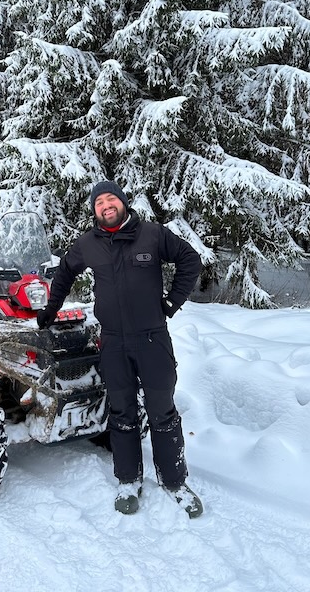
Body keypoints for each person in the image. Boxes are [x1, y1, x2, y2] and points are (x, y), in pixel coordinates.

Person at [37, 180, 203, 517]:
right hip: (112, 342)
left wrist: (171, 302)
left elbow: (190, 260)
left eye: (111, 199)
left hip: (152, 339)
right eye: (99, 203)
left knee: (162, 411)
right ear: (95, 210)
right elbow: (66, 272)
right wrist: (50, 310)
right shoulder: (88, 243)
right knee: (122, 412)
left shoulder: (153, 235)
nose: (106, 205)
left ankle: (174, 481)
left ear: (123, 203)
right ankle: (128, 480)